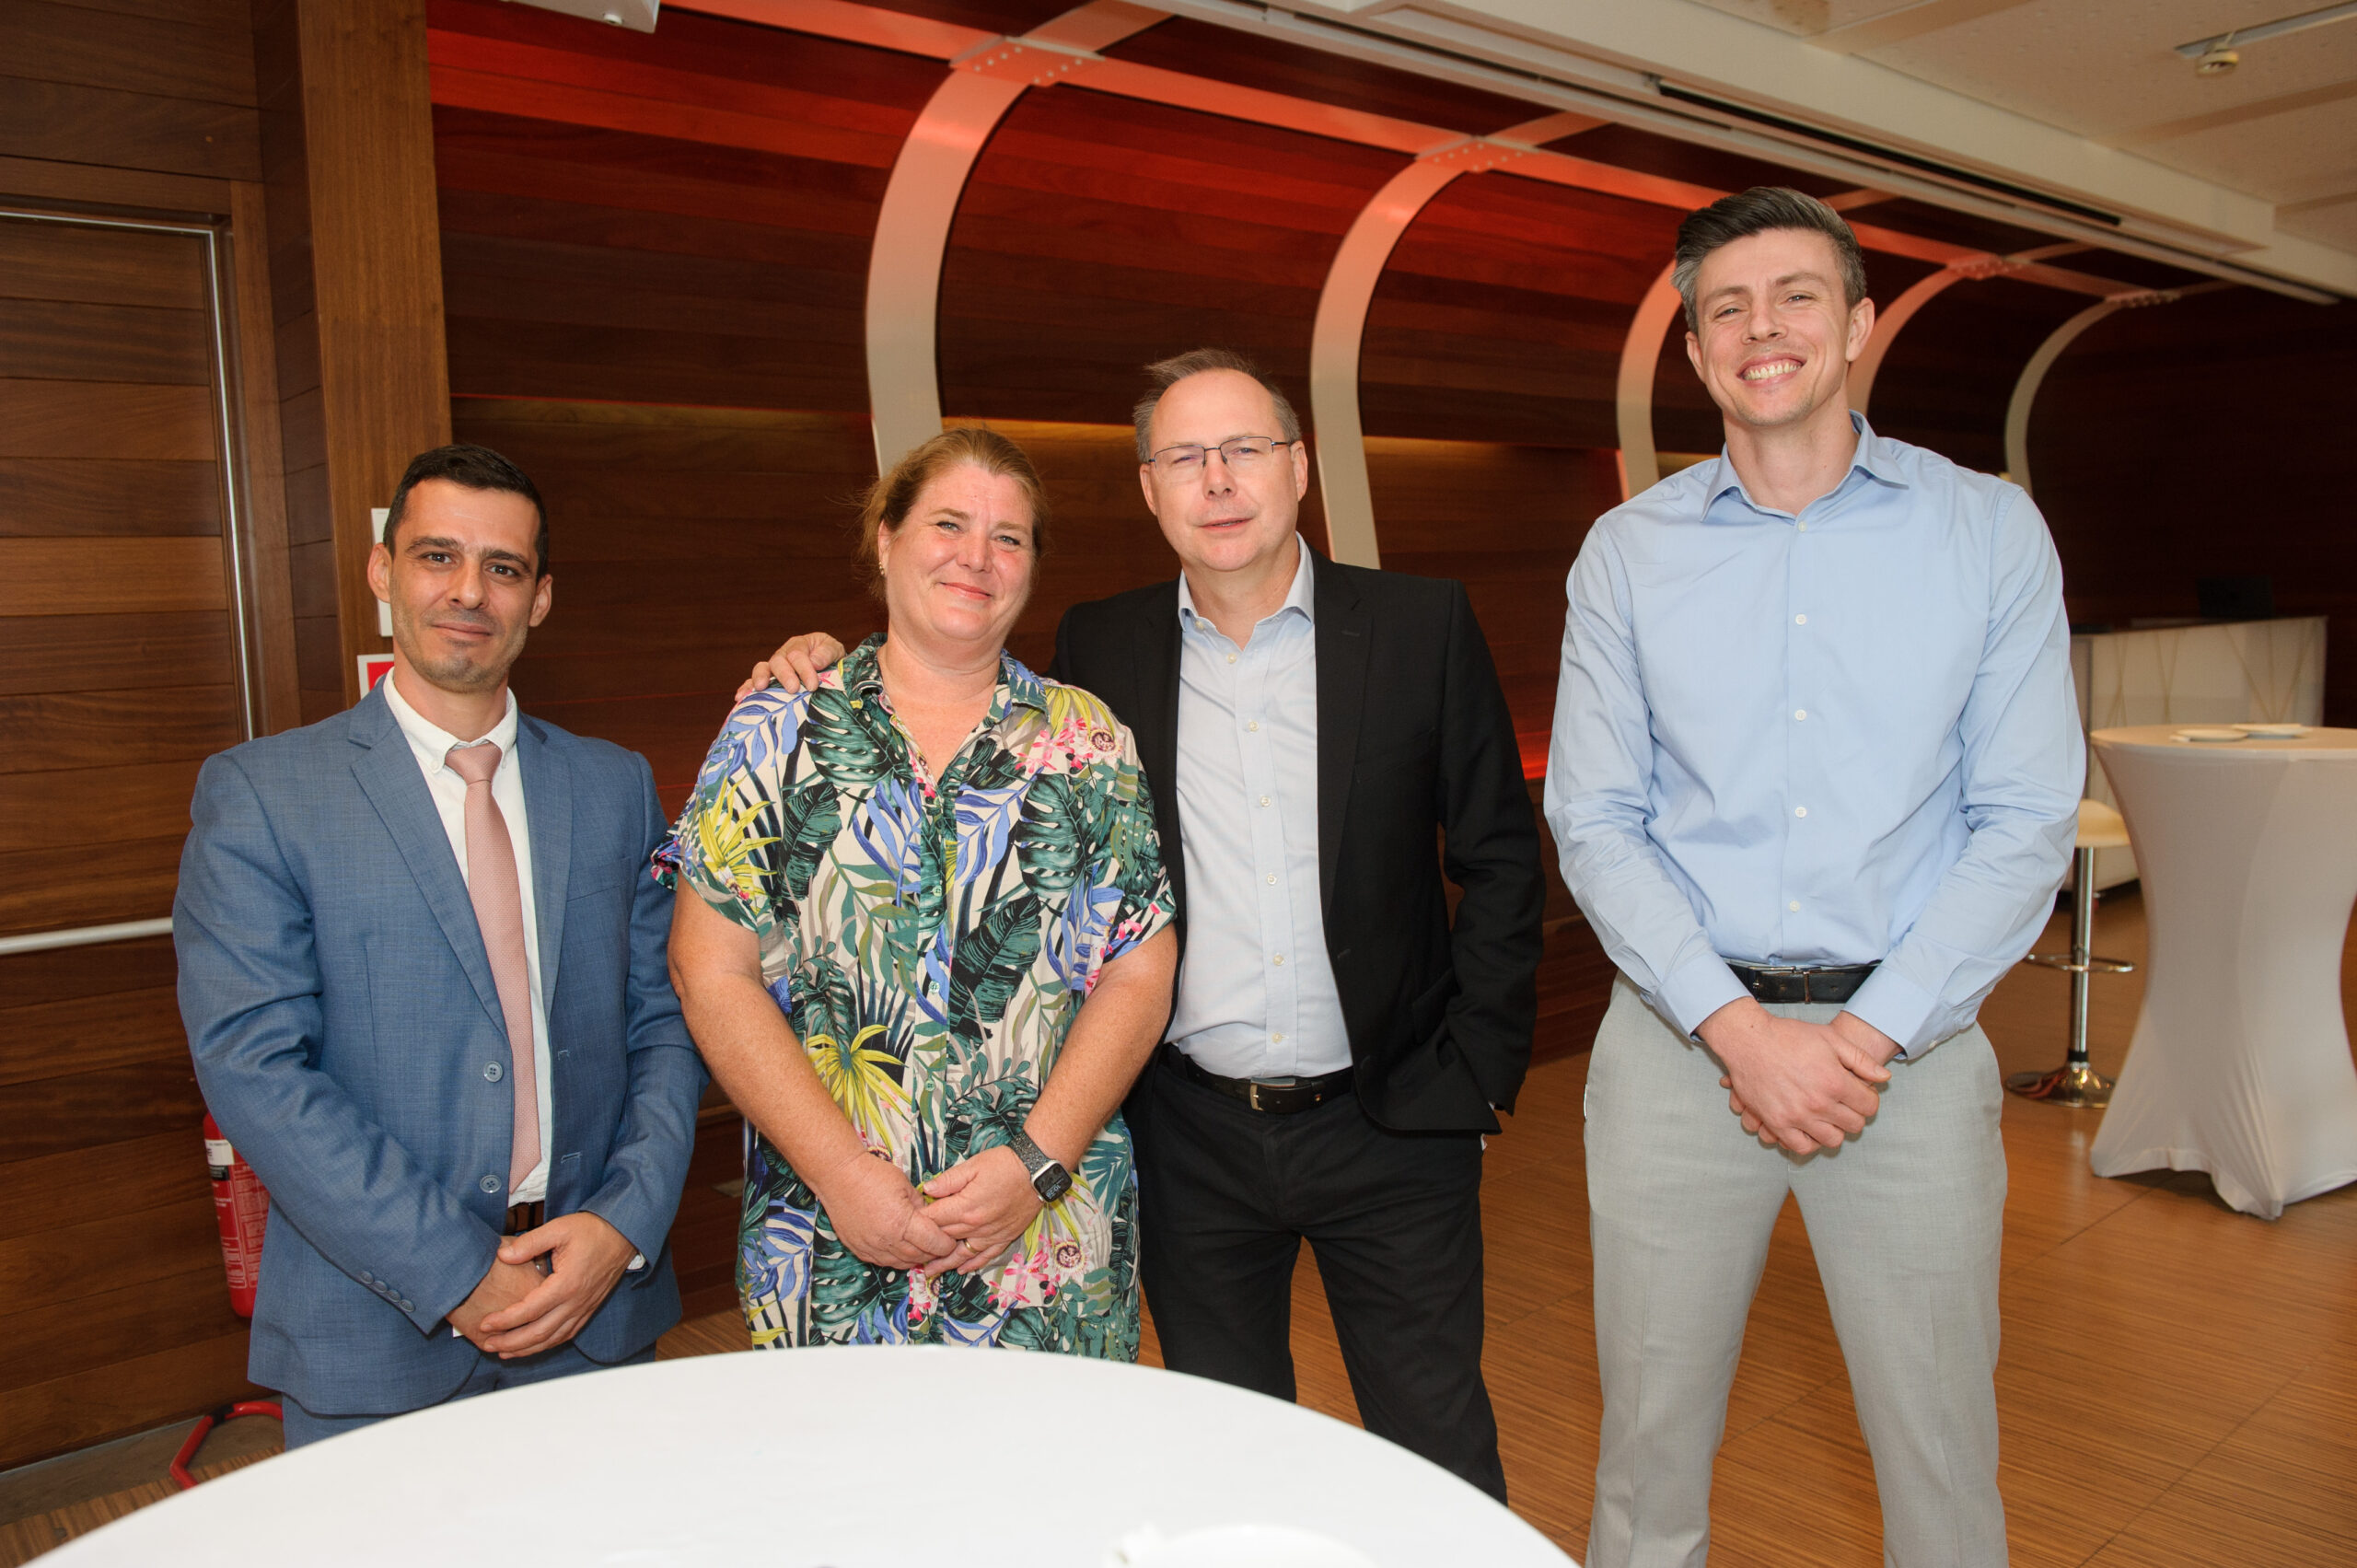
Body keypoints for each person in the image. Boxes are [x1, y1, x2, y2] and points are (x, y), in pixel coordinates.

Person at [745, 351, 1543, 1499]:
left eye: (1244, 450)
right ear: (1149, 488)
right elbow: (955, 688)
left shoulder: (1421, 624)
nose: (1217, 480)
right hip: (1191, 1137)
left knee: (1437, 1448)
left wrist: (1474, 1071)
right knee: (1226, 1449)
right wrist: (817, 656)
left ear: (1299, 468)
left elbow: (1499, 856)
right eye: (1184, 457)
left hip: (1391, 1121)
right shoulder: (1101, 650)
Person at [1546, 187, 2082, 1566]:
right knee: (1647, 1456)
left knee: (1941, 1455)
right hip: (1679, 1047)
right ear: (1694, 351)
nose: (1761, 327)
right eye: (1725, 308)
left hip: (1909, 1054)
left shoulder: (1987, 531)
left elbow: (2025, 816)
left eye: (1796, 296)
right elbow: (1596, 818)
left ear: (1854, 326)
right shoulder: (1627, 551)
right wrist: (1738, 1030)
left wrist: (1861, 1036)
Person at [176, 445, 707, 1446]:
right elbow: (255, 1067)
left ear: (539, 598)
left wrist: (625, 1222)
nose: (469, 591)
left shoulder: (615, 785)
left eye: (503, 567)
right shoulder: (264, 794)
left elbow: (667, 1021)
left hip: (593, 1306)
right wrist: (455, 1269)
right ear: (382, 572)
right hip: (373, 1327)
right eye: (437, 556)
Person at [664, 426, 1178, 1357]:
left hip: (1045, 1244)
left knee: (1052, 1458)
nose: (976, 556)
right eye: (947, 523)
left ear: (1031, 567)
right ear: (886, 539)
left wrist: (1035, 1163)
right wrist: (842, 1174)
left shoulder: (1090, 743)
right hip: (829, 1238)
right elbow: (710, 969)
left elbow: (1140, 973)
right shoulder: (776, 730)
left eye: (1008, 537)